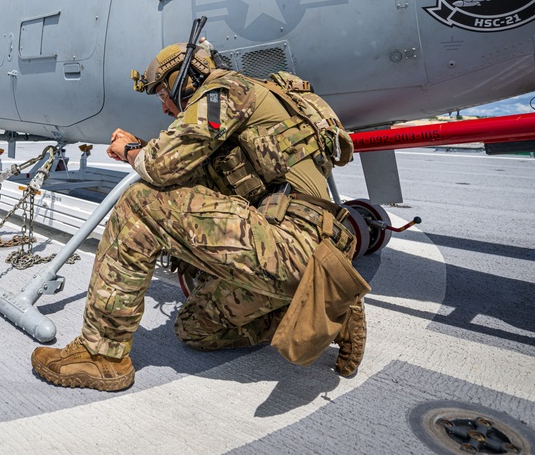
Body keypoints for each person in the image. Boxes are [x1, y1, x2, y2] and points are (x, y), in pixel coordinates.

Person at [31, 38, 367, 392]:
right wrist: (141, 150)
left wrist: (131, 149)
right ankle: (329, 310)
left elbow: (160, 169)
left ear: (187, 79)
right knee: (194, 329)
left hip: (291, 246)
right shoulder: (249, 108)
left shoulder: (226, 89)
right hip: (311, 255)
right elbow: (193, 178)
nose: (163, 109)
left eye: (163, 95)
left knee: (140, 203)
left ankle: (100, 357)